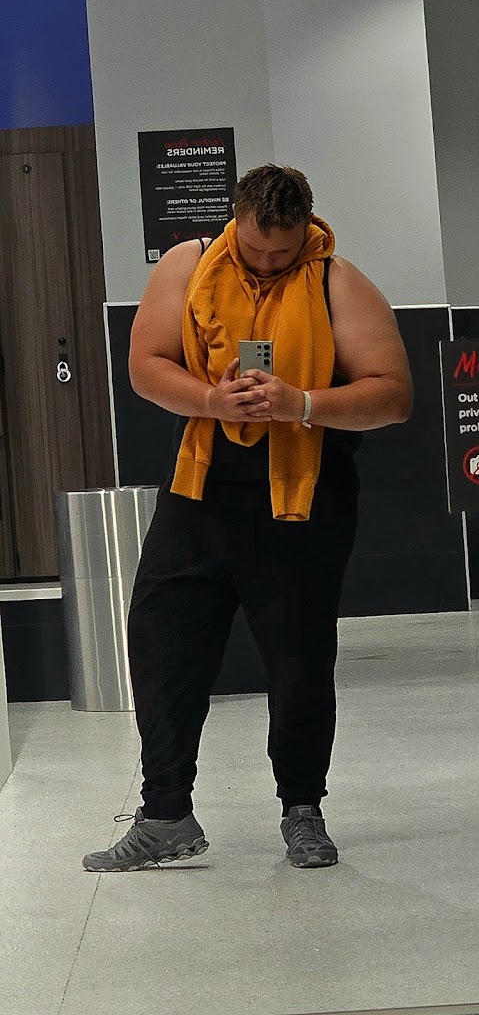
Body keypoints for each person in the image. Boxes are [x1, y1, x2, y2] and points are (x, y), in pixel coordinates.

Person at [83, 164, 413, 872]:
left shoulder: (337, 281)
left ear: (306, 231)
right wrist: (211, 401)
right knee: (162, 645)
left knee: (298, 660)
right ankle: (164, 813)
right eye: (254, 250)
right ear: (234, 222)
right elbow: (145, 365)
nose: (266, 264)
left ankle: (302, 809)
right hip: (200, 491)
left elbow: (393, 396)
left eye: (282, 253)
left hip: (303, 499)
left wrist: (303, 404)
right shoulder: (189, 264)